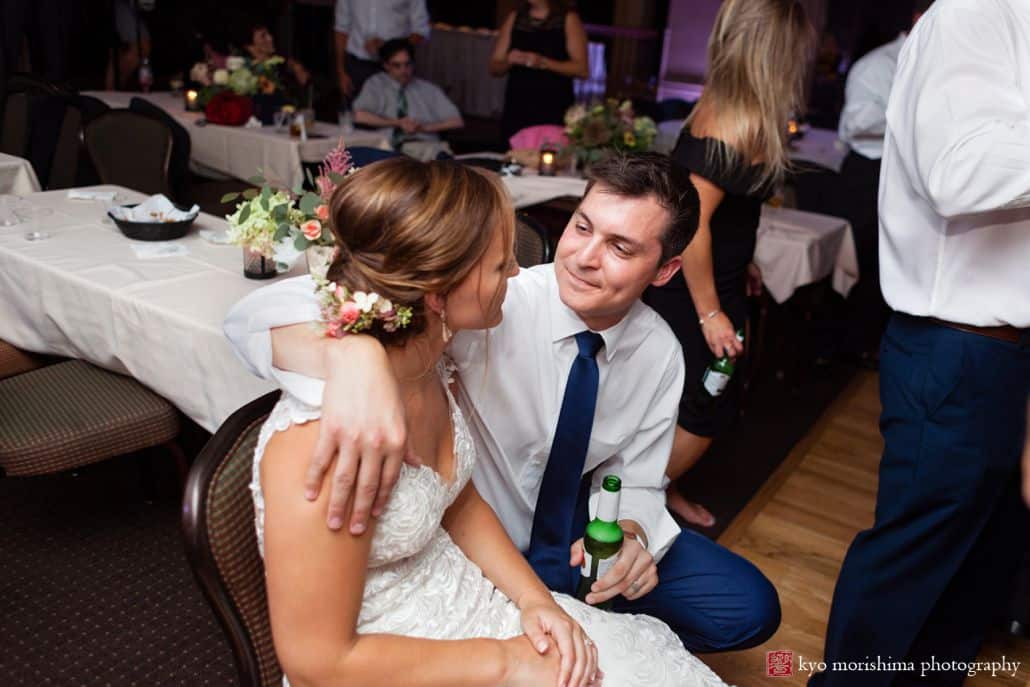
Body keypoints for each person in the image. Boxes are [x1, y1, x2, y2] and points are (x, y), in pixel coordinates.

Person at [225, 152, 781, 655]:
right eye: (582, 227)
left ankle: (594, 610)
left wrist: (631, 534)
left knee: (748, 607)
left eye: (620, 248)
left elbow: (636, 477)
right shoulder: (487, 300)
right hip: (477, 544)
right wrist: (356, 356)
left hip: (577, 538)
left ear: (664, 271)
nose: (585, 258)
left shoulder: (660, 353)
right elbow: (260, 314)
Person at [809, 0, 1030, 684]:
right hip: (958, 349)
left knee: (978, 570)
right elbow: (959, 173)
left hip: (1007, 354)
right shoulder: (973, 15)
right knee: (907, 570)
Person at [643, 0, 814, 528]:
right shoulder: (731, 122)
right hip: (694, 293)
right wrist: (711, 313)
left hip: (717, 280)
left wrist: (748, 262)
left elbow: (727, 213)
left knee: (676, 401)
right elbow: (691, 223)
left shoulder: (733, 107)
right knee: (706, 405)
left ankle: (657, 494)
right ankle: (629, 503)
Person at [836, 1, 933, 364]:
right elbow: (855, 123)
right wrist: (912, 112)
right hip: (868, 173)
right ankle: (852, 349)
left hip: (909, 177)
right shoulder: (877, 66)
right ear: (920, 19)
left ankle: (875, 343)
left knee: (894, 264)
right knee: (865, 263)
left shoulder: (937, 67)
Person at [489, 0, 588, 144]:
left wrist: (543, 62)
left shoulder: (568, 19)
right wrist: (509, 60)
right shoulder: (516, 17)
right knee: (513, 157)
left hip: (553, 103)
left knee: (550, 153)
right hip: (518, 104)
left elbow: (582, 69)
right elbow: (494, 67)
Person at [352, 39, 462, 159]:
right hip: (387, 148)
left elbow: (456, 121)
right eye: (397, 65)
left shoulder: (428, 89)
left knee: (438, 156)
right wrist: (397, 122)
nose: (403, 71)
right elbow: (358, 115)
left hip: (424, 145)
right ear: (386, 65)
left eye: (407, 64)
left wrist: (424, 127)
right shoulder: (376, 84)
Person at [334, 0, 430, 109]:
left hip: (395, 68)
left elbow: (421, 31)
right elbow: (341, 28)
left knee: (394, 117)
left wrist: (390, 47)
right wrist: (341, 71)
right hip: (356, 66)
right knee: (352, 117)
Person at [238, 21, 311, 98]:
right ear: (250, 47)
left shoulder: (279, 62)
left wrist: (297, 67)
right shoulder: (244, 69)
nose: (270, 38)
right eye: (263, 36)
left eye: (269, 34)